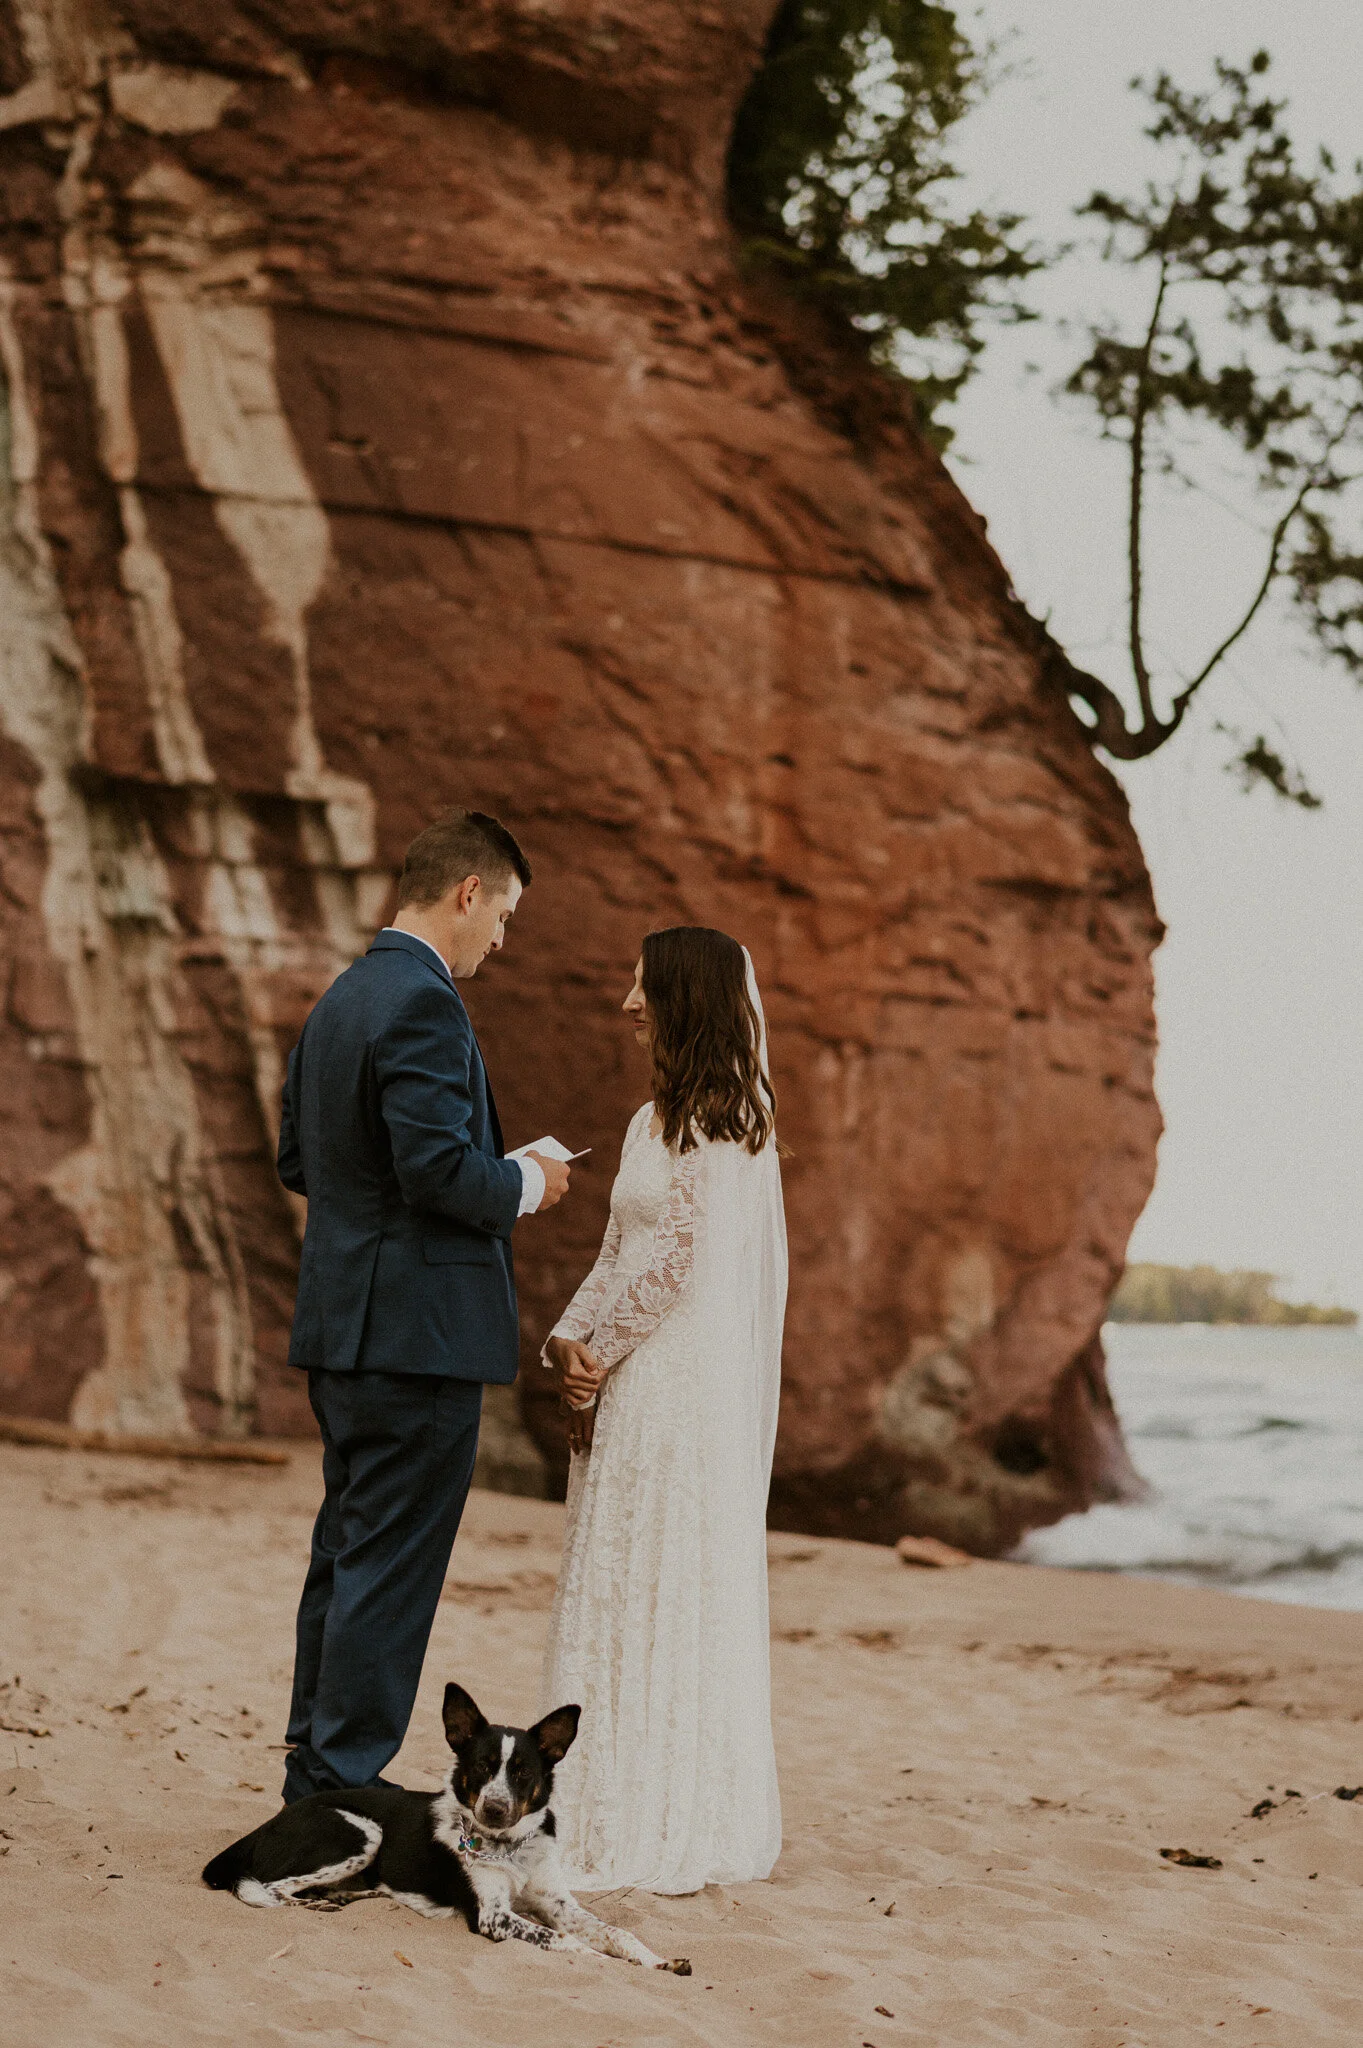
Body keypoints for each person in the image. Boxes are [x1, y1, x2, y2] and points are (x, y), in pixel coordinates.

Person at [276, 808, 571, 1804]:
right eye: (505, 913)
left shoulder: (340, 1001)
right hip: (415, 1340)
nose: (503, 937)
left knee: (348, 1555)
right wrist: (526, 1179)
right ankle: (346, 1783)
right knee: (388, 1571)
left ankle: (317, 1772)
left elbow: (298, 1160)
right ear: (466, 892)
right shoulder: (423, 1003)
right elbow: (441, 1171)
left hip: (345, 1325)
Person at [541, 927, 788, 1894]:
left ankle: (665, 1807)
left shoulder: (726, 1129)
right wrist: (567, 1343)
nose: (625, 1001)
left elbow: (680, 1264)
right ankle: (594, 1790)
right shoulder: (649, 1123)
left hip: (679, 1390)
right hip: (630, 1375)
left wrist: (602, 1359)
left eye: (640, 984)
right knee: (610, 1576)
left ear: (682, 997)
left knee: (662, 1580)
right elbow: (616, 1250)